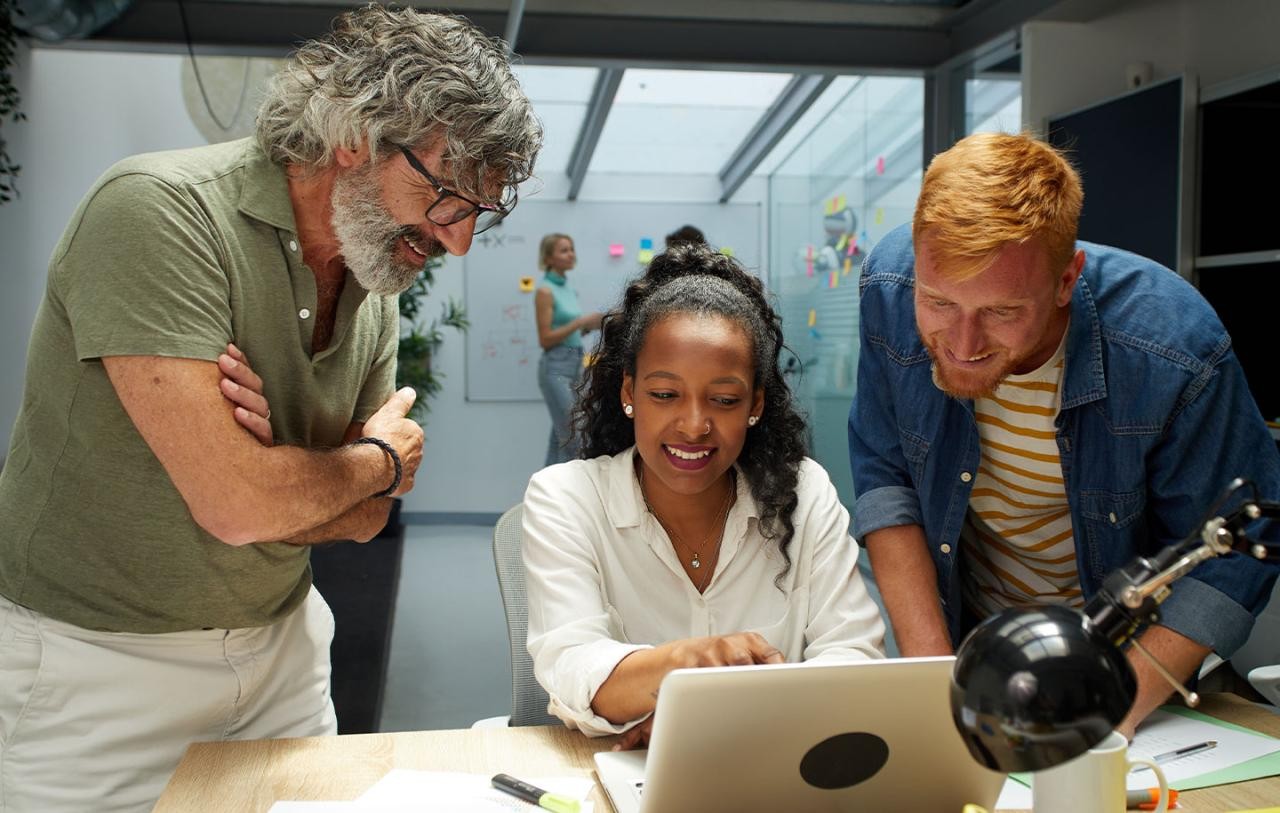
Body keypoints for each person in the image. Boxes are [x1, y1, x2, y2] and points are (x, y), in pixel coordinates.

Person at [0, 6, 541, 811]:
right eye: (448, 197)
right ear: (356, 133)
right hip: (96, 673)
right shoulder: (157, 212)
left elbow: (362, 523)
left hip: (285, 655)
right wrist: (374, 460)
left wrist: (286, 480)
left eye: (478, 214)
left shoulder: (377, 286)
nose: (456, 243)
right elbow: (242, 504)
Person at [849, 132, 1280, 737]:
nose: (964, 345)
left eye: (1001, 312)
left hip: (1140, 669)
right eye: (939, 302)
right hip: (981, 650)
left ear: (1066, 278)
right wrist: (935, 680)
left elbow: (1235, 549)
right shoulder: (888, 288)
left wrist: (1109, 716)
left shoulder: (1173, 347)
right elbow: (886, 480)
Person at [524, 243, 885, 749]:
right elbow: (572, 663)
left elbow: (855, 658)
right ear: (629, 393)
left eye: (724, 399)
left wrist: (696, 713)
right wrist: (684, 664)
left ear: (755, 403)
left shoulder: (804, 492)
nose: (694, 426)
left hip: (772, 778)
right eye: (665, 395)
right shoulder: (565, 497)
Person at [534, 233, 602, 465]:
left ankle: (543, 496)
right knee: (573, 436)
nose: (571, 254)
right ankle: (570, 494)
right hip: (555, 367)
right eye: (564, 250)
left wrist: (587, 327)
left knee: (560, 437)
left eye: (571, 249)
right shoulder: (545, 291)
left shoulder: (569, 289)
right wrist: (580, 322)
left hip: (575, 363)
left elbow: (569, 330)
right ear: (549, 258)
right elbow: (545, 339)